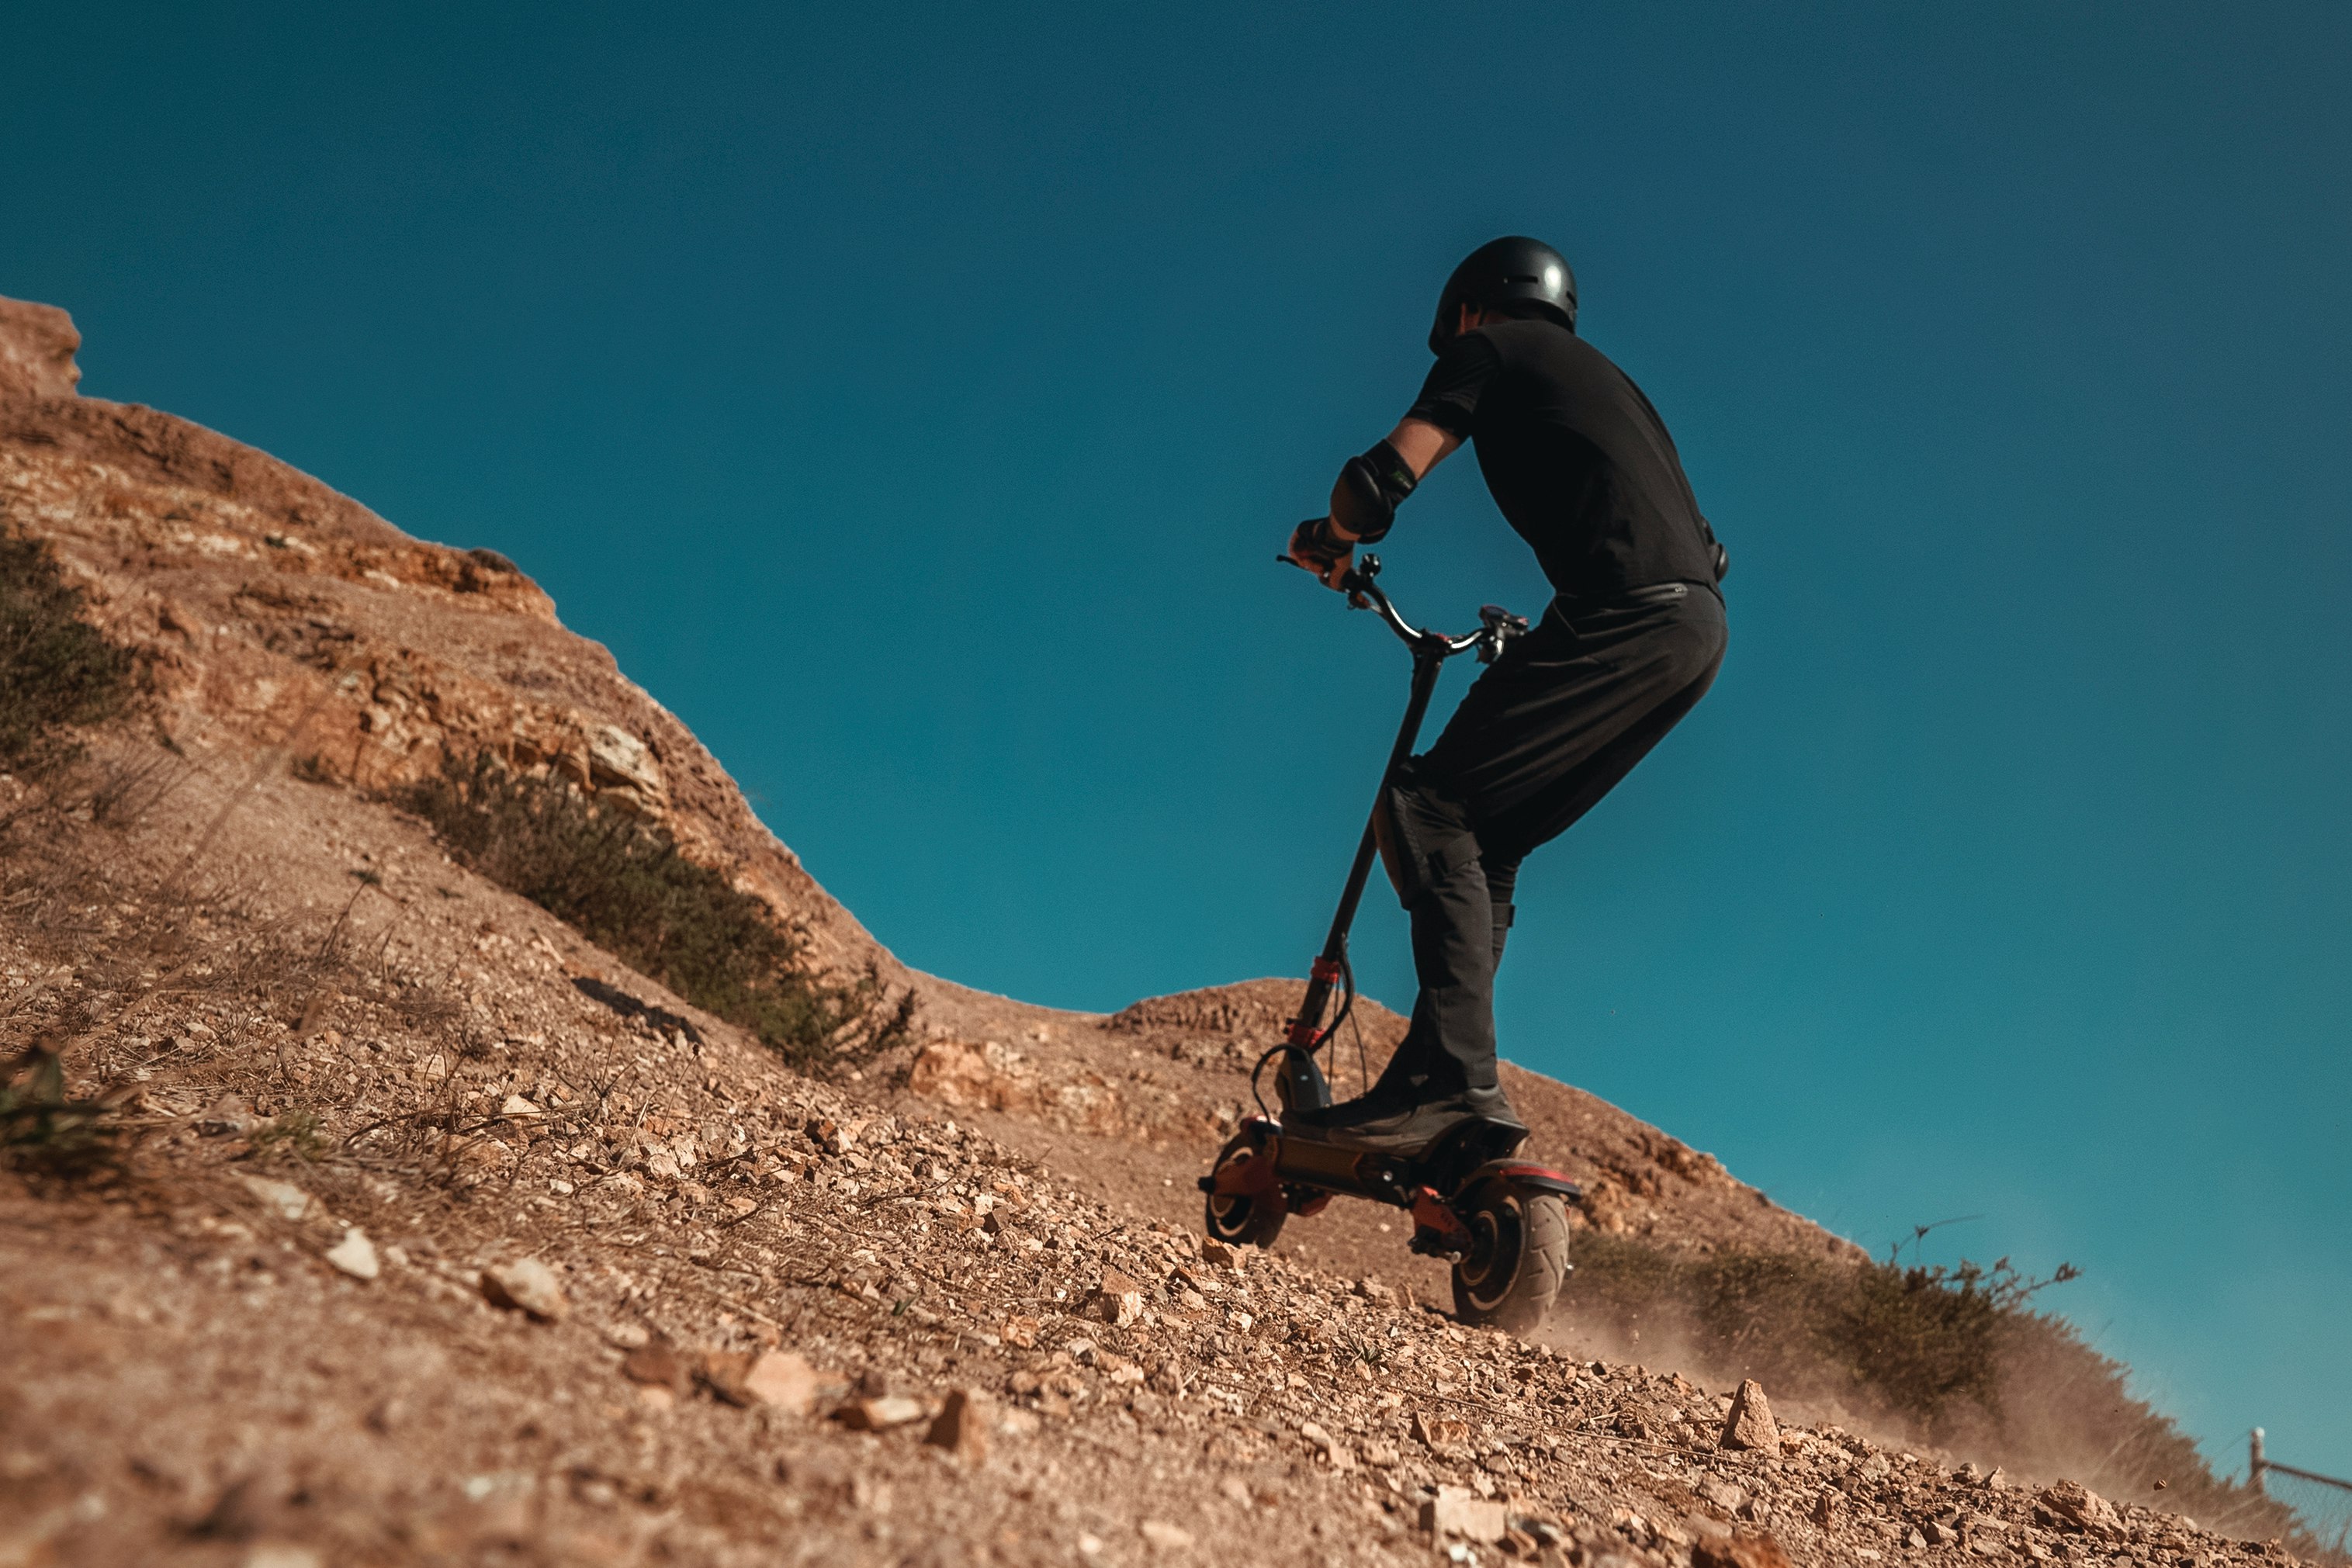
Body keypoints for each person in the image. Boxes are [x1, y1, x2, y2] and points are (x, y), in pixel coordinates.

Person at [1283, 236, 1730, 1153]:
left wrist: (1330, 535)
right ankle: (1438, 1080)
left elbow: (1381, 479)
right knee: (1489, 838)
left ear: (1472, 308)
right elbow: (1701, 545)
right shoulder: (1614, 386)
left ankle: (1450, 1082)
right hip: (1692, 628)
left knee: (1423, 804)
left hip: (1622, 617)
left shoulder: (1489, 351)